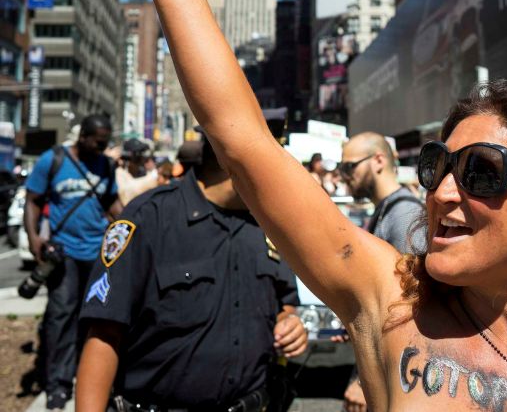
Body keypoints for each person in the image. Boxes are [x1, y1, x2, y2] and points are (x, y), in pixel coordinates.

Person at [151, 0, 507, 409]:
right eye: (437, 166)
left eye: (481, 172)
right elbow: (243, 144)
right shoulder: (393, 302)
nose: (443, 193)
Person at [76, 134, 308, 411]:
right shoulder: (150, 217)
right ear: (232, 156)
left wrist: (290, 322)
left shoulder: (270, 224)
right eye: (273, 156)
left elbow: (285, 302)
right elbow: (104, 332)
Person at [24, 114, 122, 411]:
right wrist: (33, 239)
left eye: (106, 142)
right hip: (64, 254)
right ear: (83, 137)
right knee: (61, 319)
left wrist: (132, 222)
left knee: (94, 319)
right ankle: (58, 384)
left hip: (97, 254)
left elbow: (111, 202)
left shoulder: (105, 164)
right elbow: (32, 199)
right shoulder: (52, 160)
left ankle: (87, 376)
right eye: (98, 141)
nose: (102, 147)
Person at [339, 132, 426, 411]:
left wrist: (365, 382)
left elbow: (415, 310)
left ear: (378, 160)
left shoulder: (403, 216)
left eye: (349, 167)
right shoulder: (386, 210)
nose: (343, 175)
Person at [115, 138, 168, 205]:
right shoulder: (119, 173)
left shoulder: (144, 172)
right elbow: (127, 193)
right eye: (137, 155)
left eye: (142, 154)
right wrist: (153, 176)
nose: (142, 158)